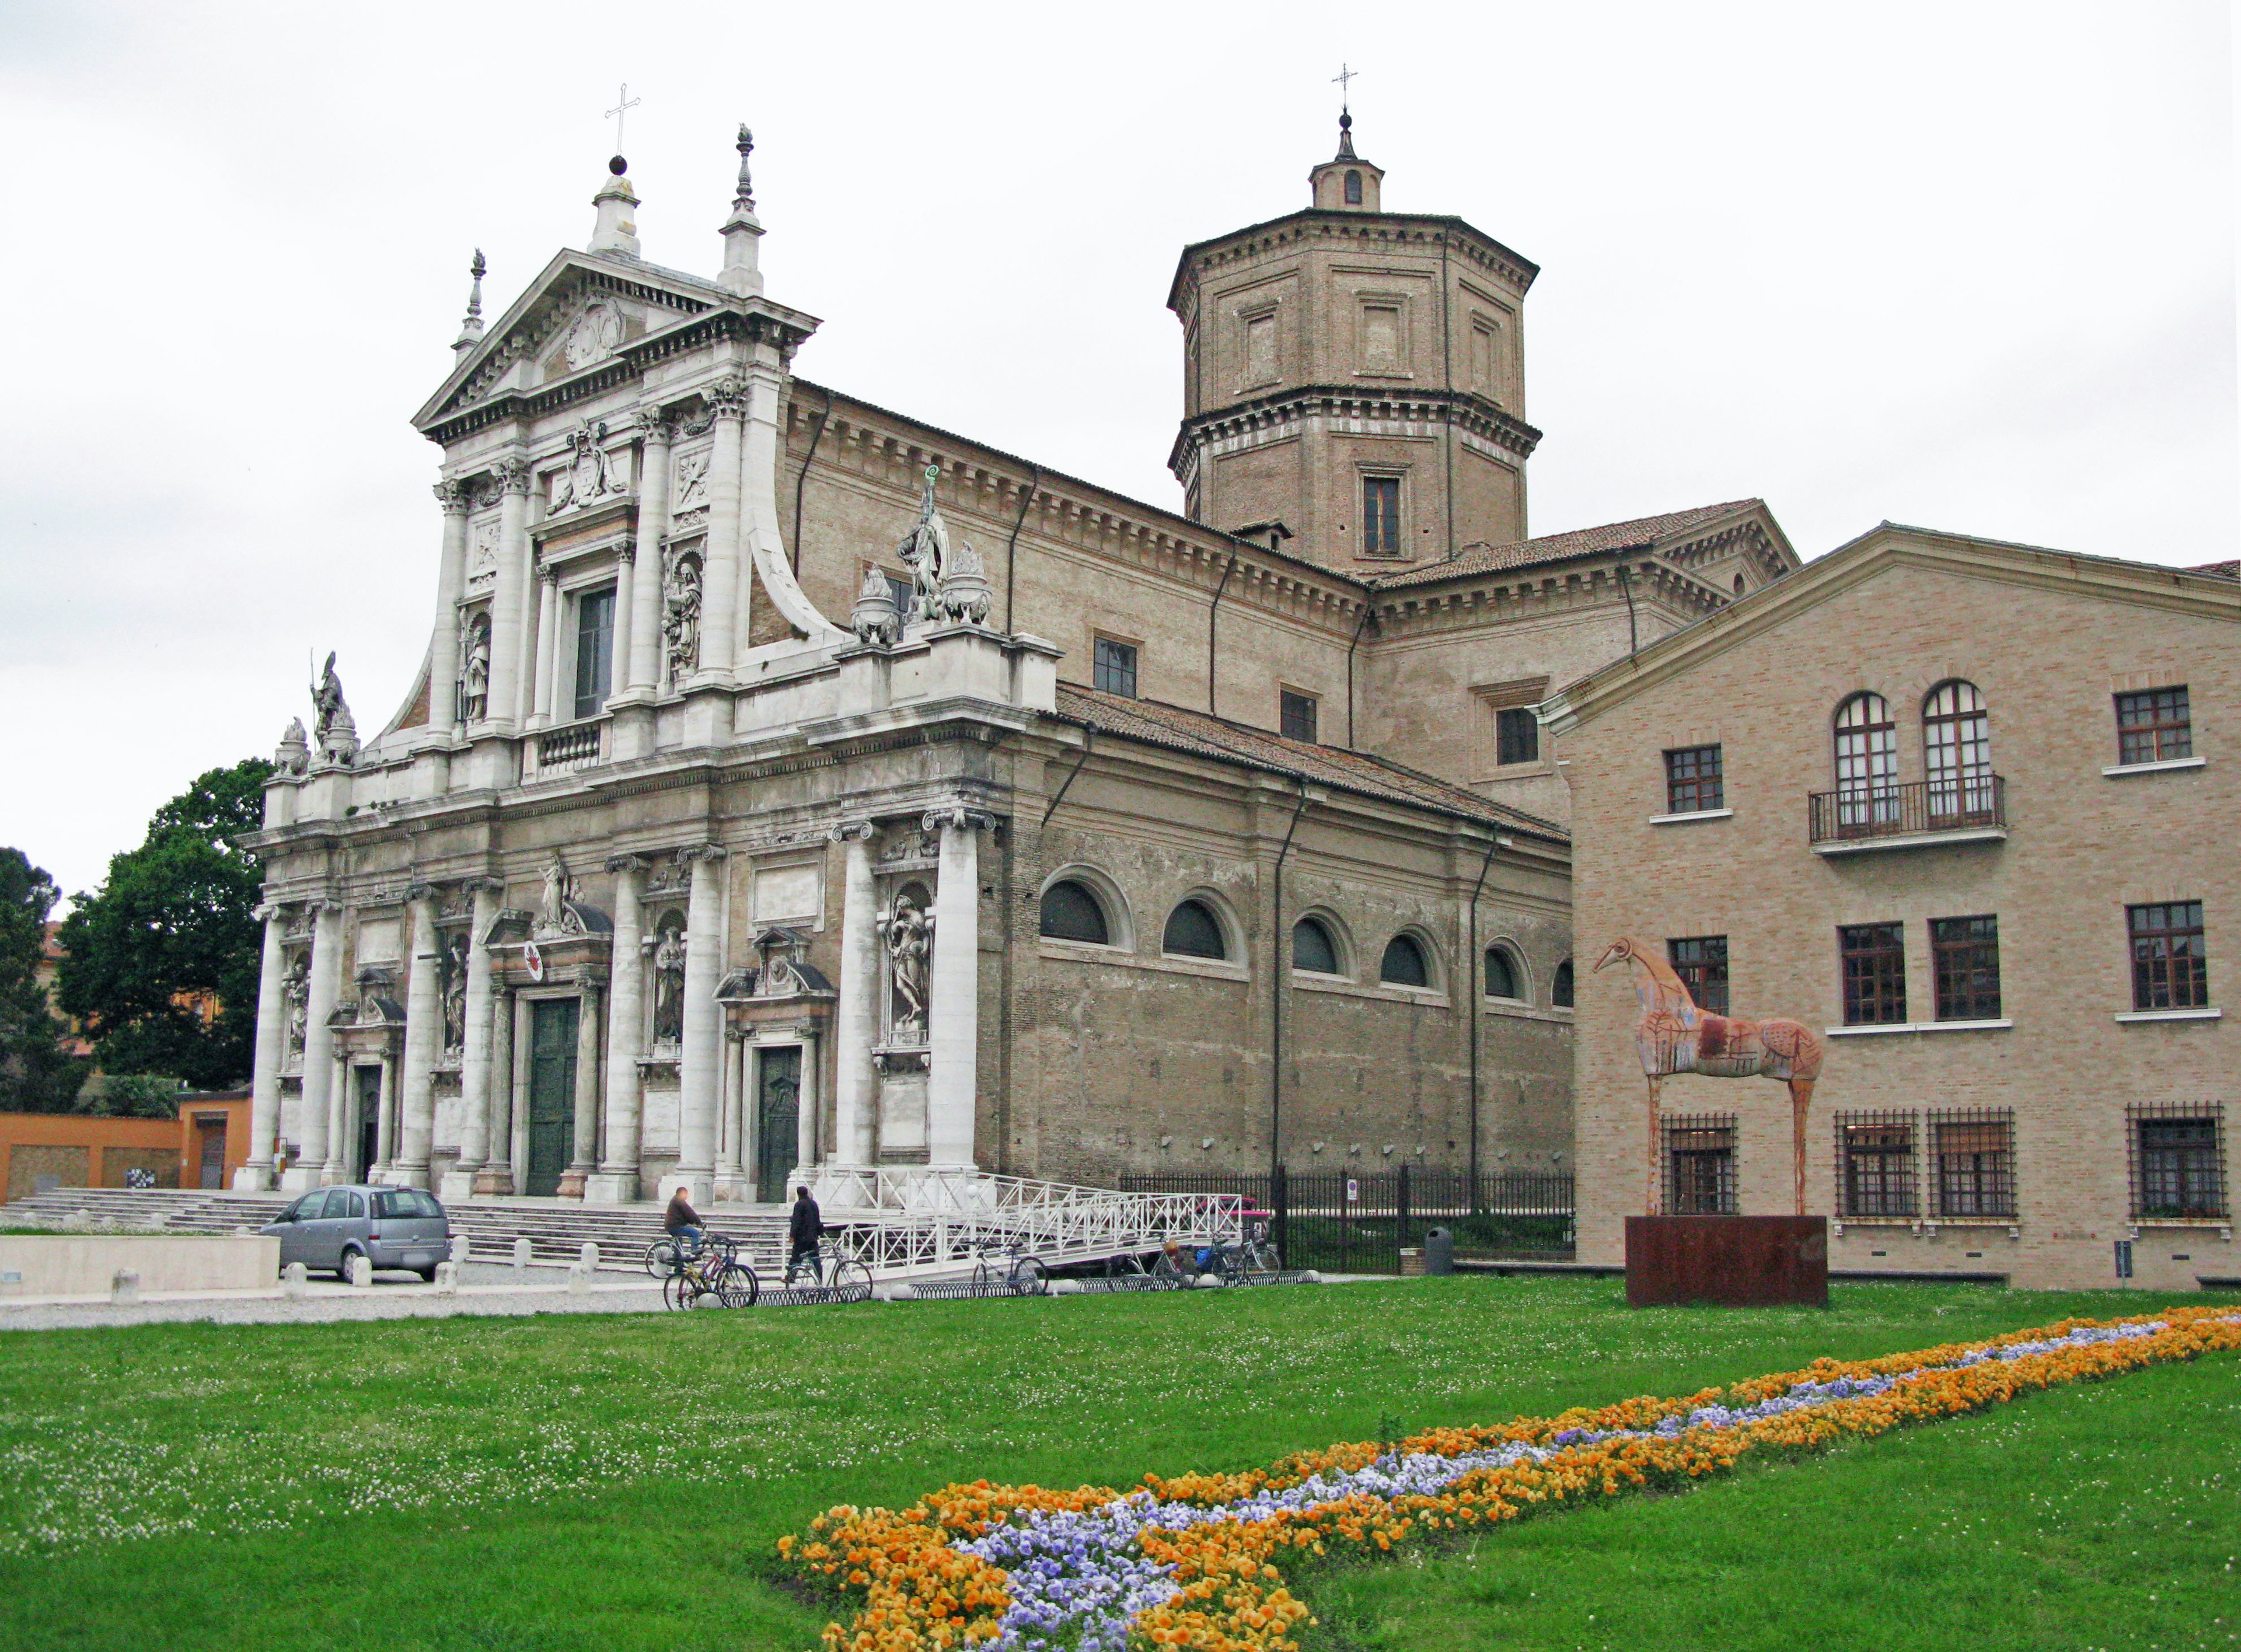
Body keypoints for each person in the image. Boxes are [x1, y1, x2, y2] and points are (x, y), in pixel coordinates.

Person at [786, 1185, 823, 1286]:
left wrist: (792, 1235)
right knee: (816, 1260)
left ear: (799, 1194)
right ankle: (820, 1279)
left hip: (802, 1238)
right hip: (813, 1237)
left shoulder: (799, 1205)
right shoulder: (814, 1204)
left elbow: (796, 1221)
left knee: (796, 1258)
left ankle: (791, 1277)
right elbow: (817, 1219)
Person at [665, 1186, 705, 1257]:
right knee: (695, 1233)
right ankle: (694, 1251)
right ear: (682, 1194)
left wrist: (693, 1222)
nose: (687, 1196)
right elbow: (689, 1212)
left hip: (671, 1226)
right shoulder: (679, 1200)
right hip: (676, 1227)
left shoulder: (676, 1200)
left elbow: (685, 1214)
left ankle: (679, 1264)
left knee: (679, 1246)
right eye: (686, 1194)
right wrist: (699, 1222)